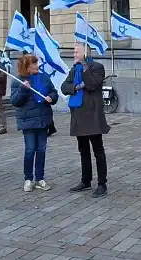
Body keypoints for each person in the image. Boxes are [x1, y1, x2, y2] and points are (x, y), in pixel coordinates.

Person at [61, 43, 110, 198]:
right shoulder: (74, 69)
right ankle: (86, 180)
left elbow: (92, 84)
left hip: (92, 115)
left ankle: (102, 184)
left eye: (76, 52)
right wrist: (76, 87)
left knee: (98, 150)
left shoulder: (96, 67)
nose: (74, 54)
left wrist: (84, 68)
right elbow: (64, 87)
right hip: (78, 114)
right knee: (83, 150)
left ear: (85, 53)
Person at [11, 53, 58, 192]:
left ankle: (40, 178)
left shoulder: (44, 78)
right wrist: (22, 89)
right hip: (28, 122)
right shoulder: (17, 81)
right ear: (26, 67)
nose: (37, 66)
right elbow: (15, 101)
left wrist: (51, 97)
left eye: (37, 63)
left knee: (41, 150)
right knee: (30, 150)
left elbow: (53, 92)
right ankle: (28, 179)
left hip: (43, 120)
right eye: (34, 64)